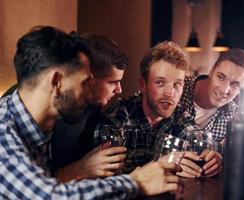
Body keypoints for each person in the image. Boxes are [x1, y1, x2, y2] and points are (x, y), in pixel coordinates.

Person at [0, 26, 181, 199]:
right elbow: (50, 196)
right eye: (85, 82)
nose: (89, 94)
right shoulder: (3, 132)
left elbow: (44, 181)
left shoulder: (40, 125)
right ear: (56, 82)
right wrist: (136, 182)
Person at [93, 41, 219, 178]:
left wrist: (213, 156)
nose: (170, 93)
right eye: (160, 83)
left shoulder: (178, 114)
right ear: (142, 85)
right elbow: (107, 184)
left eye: (177, 84)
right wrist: (160, 165)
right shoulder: (115, 120)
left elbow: (198, 137)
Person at [51, 34, 129, 181]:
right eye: (113, 82)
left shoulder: (93, 105)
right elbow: (31, 187)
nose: (119, 90)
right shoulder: (47, 110)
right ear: (88, 77)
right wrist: (82, 169)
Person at [178, 48, 244, 178]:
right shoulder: (178, 87)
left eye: (235, 84)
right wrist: (226, 152)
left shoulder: (234, 113)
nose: (225, 90)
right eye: (221, 77)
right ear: (211, 70)